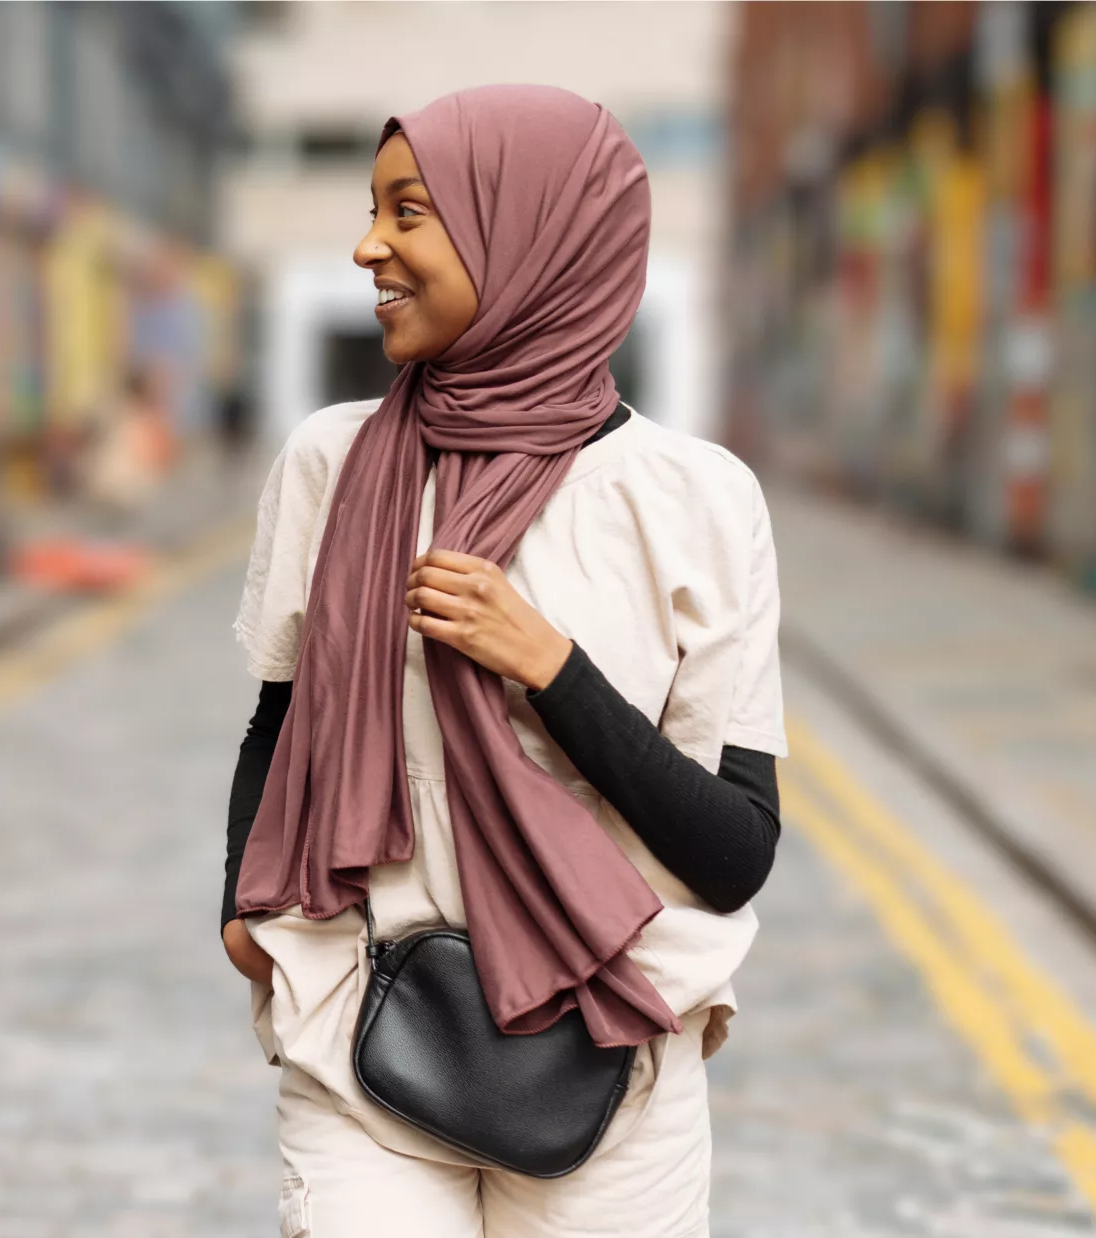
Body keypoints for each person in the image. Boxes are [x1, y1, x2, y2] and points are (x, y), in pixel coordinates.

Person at [221, 85, 787, 1236]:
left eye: (409, 212)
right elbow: (276, 722)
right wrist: (239, 908)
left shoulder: (694, 499)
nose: (366, 244)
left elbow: (732, 849)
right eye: (369, 208)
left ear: (524, 233)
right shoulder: (333, 462)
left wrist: (552, 669)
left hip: (614, 1041)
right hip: (357, 1027)